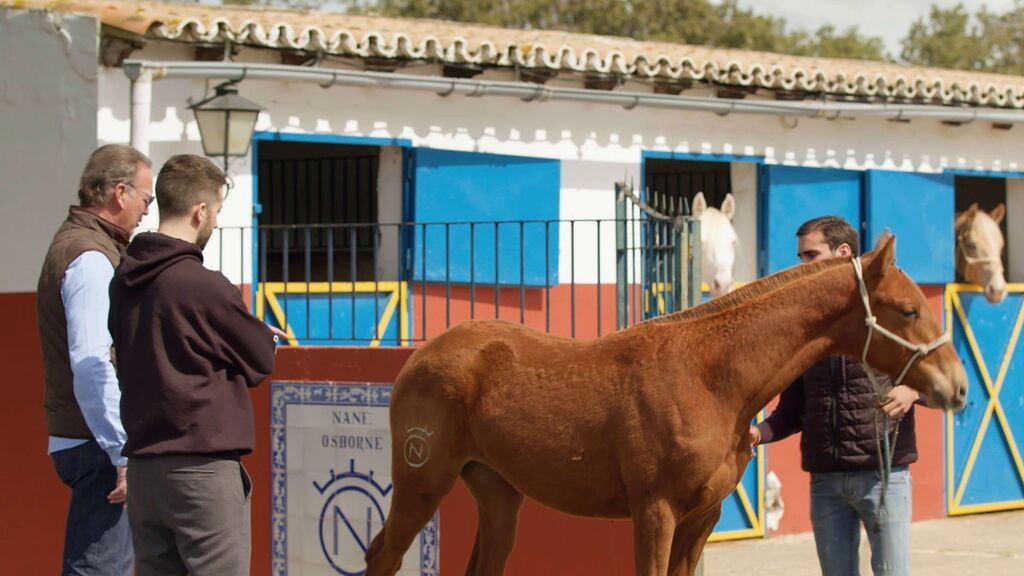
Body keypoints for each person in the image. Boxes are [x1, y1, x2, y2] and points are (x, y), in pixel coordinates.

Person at [109, 154, 282, 576]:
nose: (218, 223)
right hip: (202, 472)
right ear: (200, 210)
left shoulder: (123, 279)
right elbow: (260, 359)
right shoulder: (204, 285)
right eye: (218, 211)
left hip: (146, 472)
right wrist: (262, 334)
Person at [749, 216, 924, 576]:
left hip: (884, 478)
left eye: (811, 255)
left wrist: (912, 391)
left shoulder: (884, 312)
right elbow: (793, 411)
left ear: (843, 252)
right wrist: (758, 433)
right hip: (826, 482)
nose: (802, 266)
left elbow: (944, 383)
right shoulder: (806, 329)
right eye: (799, 257)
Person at [37, 144, 153, 575]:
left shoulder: (84, 246)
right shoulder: (89, 257)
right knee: (100, 569)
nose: (146, 211)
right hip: (98, 444)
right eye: (146, 198)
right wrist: (120, 451)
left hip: (89, 439)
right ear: (119, 193)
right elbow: (91, 361)